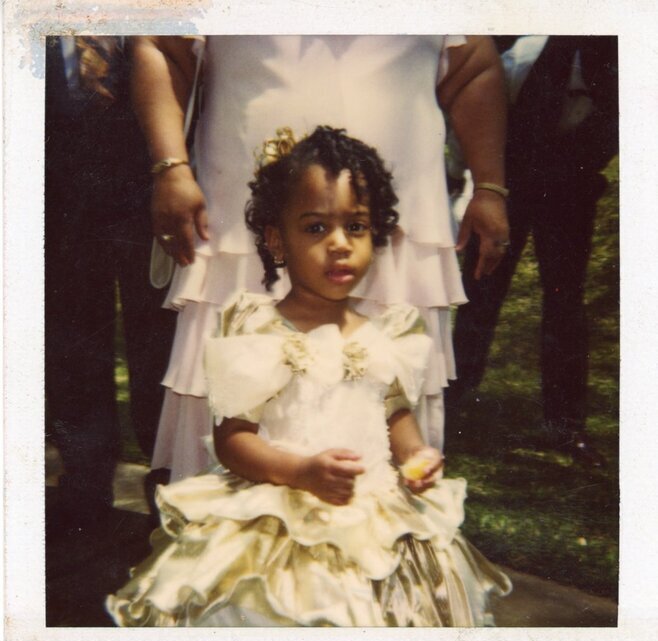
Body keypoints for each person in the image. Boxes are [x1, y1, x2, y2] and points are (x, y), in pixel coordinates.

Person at [106, 127, 511, 627]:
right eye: (316, 228)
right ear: (277, 238)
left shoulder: (391, 329)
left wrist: (416, 454)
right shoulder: (257, 325)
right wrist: (300, 472)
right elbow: (232, 441)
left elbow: (395, 412)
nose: (340, 245)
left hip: (376, 513)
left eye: (356, 228)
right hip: (282, 509)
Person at [130, 34, 509, 482]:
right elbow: (158, 44)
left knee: (389, 392)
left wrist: (489, 184)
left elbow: (475, 70)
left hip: (399, 232)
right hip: (242, 225)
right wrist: (170, 167)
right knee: (234, 390)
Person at [448, 36, 618, 467]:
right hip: (510, 185)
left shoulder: (620, 61)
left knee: (566, 301)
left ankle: (566, 426)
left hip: (571, 190)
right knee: (481, 291)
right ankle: (450, 404)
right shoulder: (520, 54)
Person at [45, 35, 176, 520]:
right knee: (70, 336)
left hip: (148, 175)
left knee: (161, 338)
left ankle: (169, 486)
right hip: (54, 179)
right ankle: (84, 487)